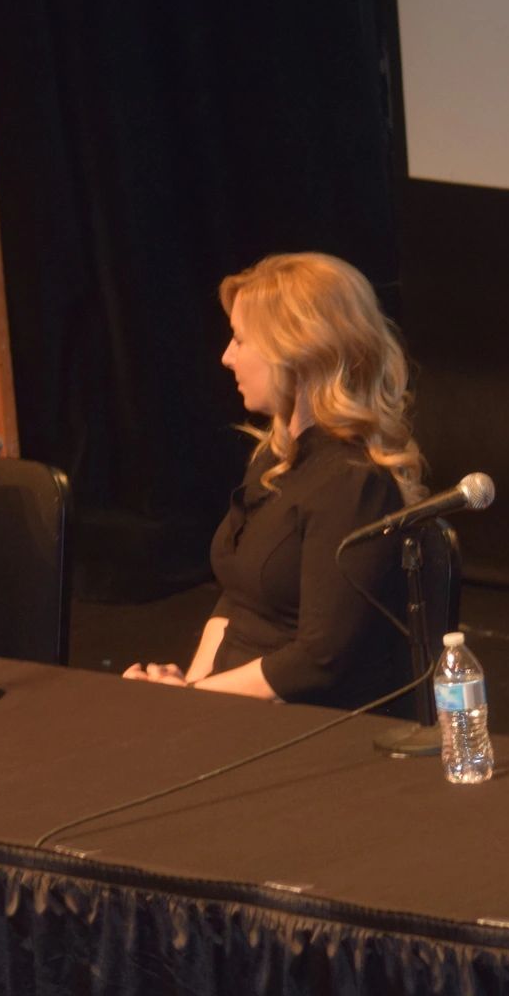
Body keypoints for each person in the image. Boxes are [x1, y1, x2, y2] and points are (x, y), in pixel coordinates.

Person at [124, 253, 422, 709]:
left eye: (241, 340)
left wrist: (193, 700)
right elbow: (237, 599)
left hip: (301, 725)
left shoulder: (352, 483)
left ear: (296, 354)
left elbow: (318, 660)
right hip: (232, 704)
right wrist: (189, 690)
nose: (226, 357)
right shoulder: (275, 458)